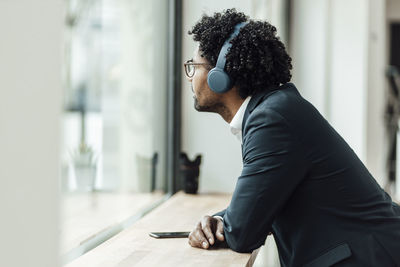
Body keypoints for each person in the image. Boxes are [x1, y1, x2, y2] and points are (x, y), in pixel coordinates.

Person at [185, 8, 400, 267]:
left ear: (220, 76)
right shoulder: (275, 108)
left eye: (193, 66)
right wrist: (220, 221)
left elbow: (241, 233)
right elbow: (254, 208)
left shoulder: (272, 119)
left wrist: (225, 224)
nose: (190, 77)